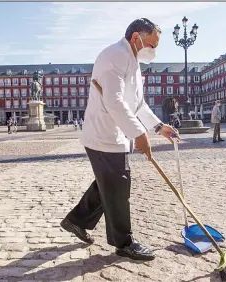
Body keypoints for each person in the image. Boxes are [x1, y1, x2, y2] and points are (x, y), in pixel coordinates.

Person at [60, 18, 179, 261]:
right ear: (137, 38)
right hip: (104, 134)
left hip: (114, 134)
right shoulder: (114, 56)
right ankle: (124, 243)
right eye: (152, 44)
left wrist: (158, 127)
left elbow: (137, 104)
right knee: (118, 184)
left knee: (109, 183)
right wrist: (138, 133)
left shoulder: (132, 61)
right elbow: (114, 101)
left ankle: (76, 221)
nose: (154, 51)